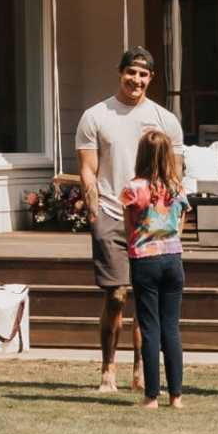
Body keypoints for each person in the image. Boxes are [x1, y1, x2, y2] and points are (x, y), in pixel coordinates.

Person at [74, 48, 183, 393]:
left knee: (145, 299)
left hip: (152, 223)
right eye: (130, 73)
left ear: (151, 78)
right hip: (110, 212)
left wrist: (174, 220)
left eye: (143, 74)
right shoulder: (96, 116)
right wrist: (94, 212)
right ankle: (108, 369)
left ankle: (141, 368)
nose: (136, 80)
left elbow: (175, 175)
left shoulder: (165, 120)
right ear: (120, 73)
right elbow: (88, 170)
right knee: (116, 296)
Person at [122, 129, 191, 410]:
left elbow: (128, 225)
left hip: (144, 260)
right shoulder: (177, 187)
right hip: (173, 258)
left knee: (150, 328)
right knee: (171, 328)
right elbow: (182, 221)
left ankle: (152, 395)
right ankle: (177, 396)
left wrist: (135, 245)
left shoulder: (133, 188)